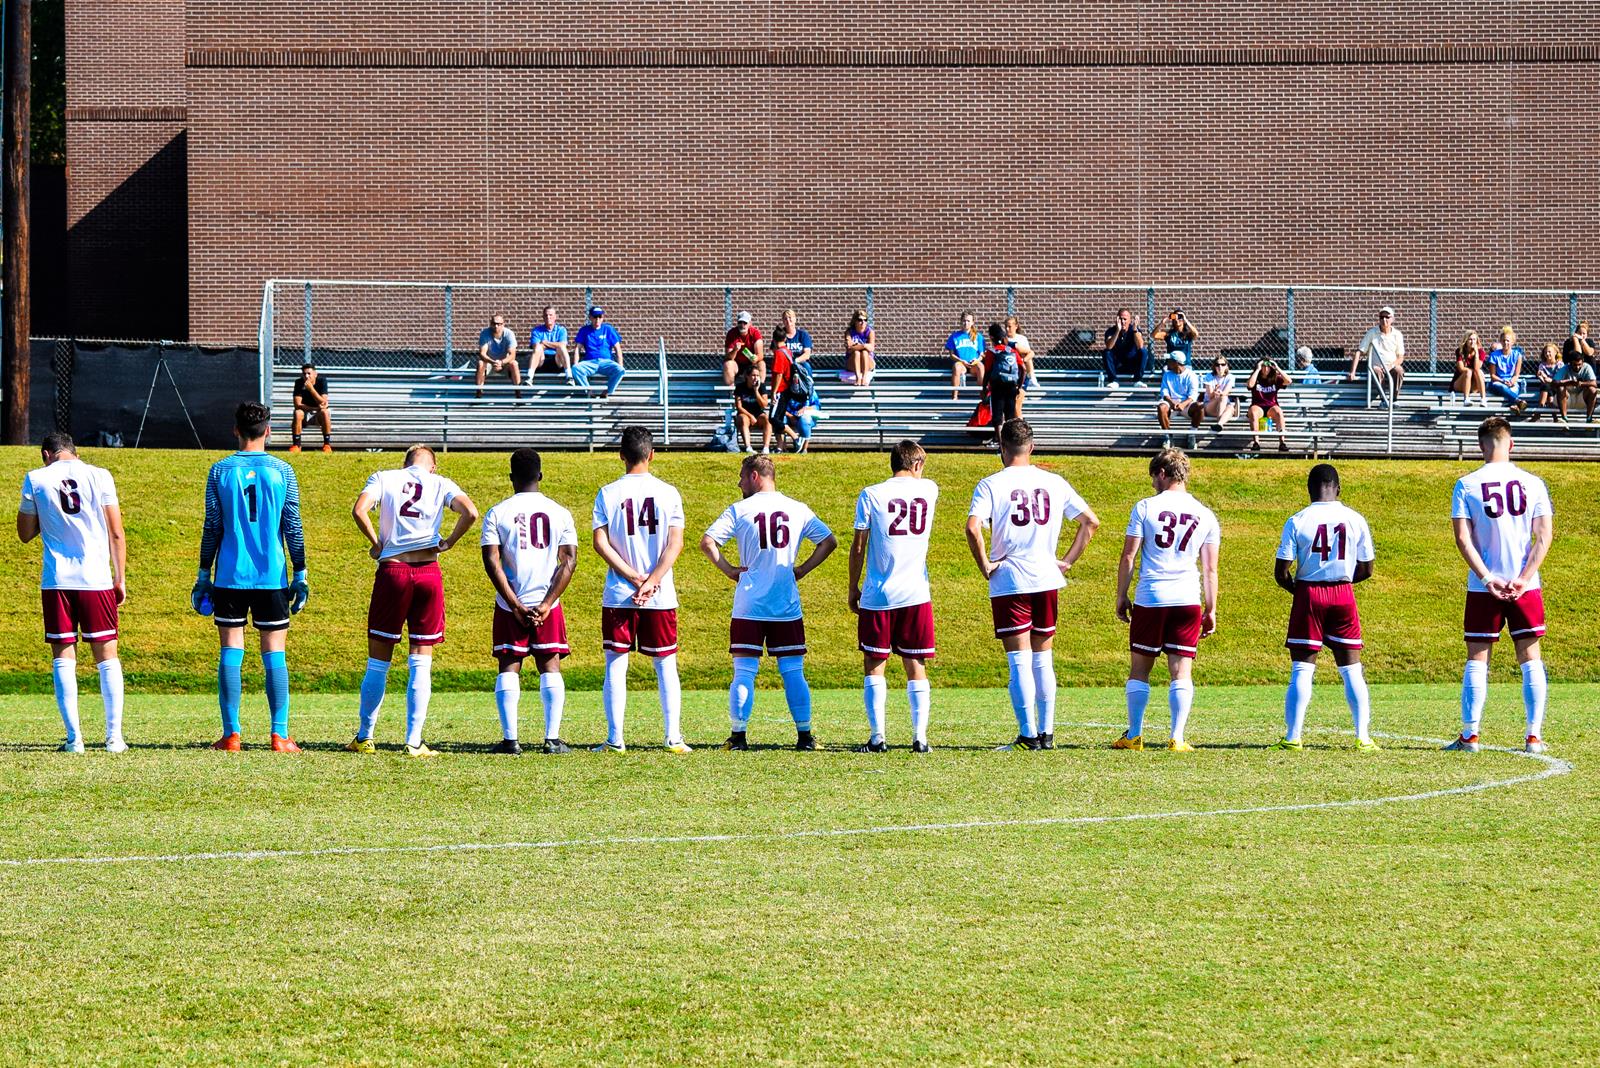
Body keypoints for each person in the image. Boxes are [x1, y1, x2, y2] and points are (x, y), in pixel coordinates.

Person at [965, 419, 1100, 751]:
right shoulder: (1053, 481)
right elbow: (1090, 522)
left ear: (1001, 446)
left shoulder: (991, 484)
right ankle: (1048, 733)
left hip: (1010, 577)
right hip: (1045, 576)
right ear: (1032, 447)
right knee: (1043, 659)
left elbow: (972, 528)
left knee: (1019, 660)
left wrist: (985, 565)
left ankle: (1028, 734)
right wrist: (1067, 561)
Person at [345, 445, 478, 758]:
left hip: (394, 570)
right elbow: (470, 512)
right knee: (421, 659)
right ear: (433, 465)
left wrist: (377, 543)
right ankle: (414, 741)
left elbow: (359, 509)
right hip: (428, 571)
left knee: (378, 660)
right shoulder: (441, 483)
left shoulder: (385, 477)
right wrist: (448, 542)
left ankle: (366, 736)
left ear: (406, 463)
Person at [191, 402, 309, 752]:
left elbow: (212, 525)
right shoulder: (283, 470)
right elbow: (293, 526)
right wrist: (300, 573)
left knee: (231, 649)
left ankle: (231, 735)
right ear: (269, 431)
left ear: (235, 431)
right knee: (274, 653)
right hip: (271, 576)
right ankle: (280, 734)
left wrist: (203, 573)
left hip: (230, 574)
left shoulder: (220, 471)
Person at [700, 454, 838, 751]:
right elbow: (829, 541)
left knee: (744, 671)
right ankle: (805, 737)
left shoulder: (740, 510)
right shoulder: (797, 509)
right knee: (792, 670)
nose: (738, 483)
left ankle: (738, 737)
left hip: (749, 603)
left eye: (741, 476)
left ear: (754, 475)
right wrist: (800, 569)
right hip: (785, 602)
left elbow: (707, 542)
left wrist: (730, 571)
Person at [1445, 417, 1553, 755]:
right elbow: (1544, 536)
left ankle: (1470, 735)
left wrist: (1488, 578)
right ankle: (1533, 737)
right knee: (1530, 657)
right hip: (1526, 585)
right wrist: (1522, 579)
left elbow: (1463, 539)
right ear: (1511, 443)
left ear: (1481, 446)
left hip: (1483, 587)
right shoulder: (1533, 483)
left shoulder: (1466, 484)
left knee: (1477, 658)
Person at [17, 432, 127, 753]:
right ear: (74, 453)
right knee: (107, 656)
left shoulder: (36, 478)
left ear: (45, 454)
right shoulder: (100, 475)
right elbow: (116, 532)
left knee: (63, 656)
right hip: (96, 578)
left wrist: (45, 517)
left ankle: (74, 739)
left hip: (57, 580)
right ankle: (114, 738)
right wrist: (119, 578)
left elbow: (25, 533)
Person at [590, 426, 690, 754]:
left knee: (615, 664)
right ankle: (672, 737)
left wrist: (633, 577)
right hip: (659, 594)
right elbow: (675, 543)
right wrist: (652, 580)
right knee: (665, 665)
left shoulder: (607, 493)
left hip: (620, 592)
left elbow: (600, 542)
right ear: (652, 454)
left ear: (621, 455)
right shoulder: (669, 492)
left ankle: (615, 739)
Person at [1113, 448, 1219, 752]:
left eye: (1153, 478)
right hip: (1187, 597)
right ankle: (1178, 737)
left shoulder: (1145, 507)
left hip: (1152, 595)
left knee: (1140, 669)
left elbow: (1129, 555)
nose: (1152, 485)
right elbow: (1210, 568)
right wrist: (1210, 609)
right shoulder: (1205, 514)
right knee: (1181, 671)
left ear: (1162, 473)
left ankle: (1134, 734)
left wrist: (1122, 595)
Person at [1272, 464, 1378, 751]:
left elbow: (1281, 571)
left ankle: (1293, 737)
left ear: (1309, 490)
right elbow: (1367, 569)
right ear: (1338, 488)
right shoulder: (1355, 519)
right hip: (1343, 593)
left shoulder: (1297, 520)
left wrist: (1298, 589)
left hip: (1308, 593)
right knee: (1352, 669)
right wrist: (1342, 583)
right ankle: (1363, 738)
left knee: (1302, 669)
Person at [480, 449, 579, 755]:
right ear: (540, 475)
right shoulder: (560, 512)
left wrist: (514, 604)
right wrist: (548, 603)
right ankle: (552, 739)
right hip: (547, 602)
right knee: (550, 666)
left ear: (511, 478)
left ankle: (511, 740)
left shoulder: (497, 512)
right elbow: (569, 561)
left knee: (509, 666)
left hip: (510, 603)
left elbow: (492, 561)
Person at [849, 440, 939, 753]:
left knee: (875, 663)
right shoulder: (930, 490)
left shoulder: (871, 493)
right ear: (916, 465)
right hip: (916, 591)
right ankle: (920, 738)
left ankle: (878, 738)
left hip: (879, 593)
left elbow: (859, 545)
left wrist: (852, 587)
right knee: (916, 663)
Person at [1349, 306, 1405, 401]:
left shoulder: (1397, 334)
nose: (1384, 319)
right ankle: (1384, 400)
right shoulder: (1372, 333)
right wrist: (1352, 371)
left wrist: (1390, 366)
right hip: (1376, 366)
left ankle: (1394, 399)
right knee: (1377, 371)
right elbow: (1359, 351)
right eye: (1381, 317)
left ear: (1392, 319)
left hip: (1391, 366)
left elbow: (1400, 357)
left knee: (1399, 371)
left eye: (1387, 317)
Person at [572, 307, 626, 397]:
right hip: (590, 362)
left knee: (620, 370)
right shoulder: (584, 330)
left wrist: (620, 364)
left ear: (602, 317)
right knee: (575, 369)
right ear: (590, 317)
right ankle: (589, 391)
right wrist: (576, 363)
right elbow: (577, 348)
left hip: (606, 362)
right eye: (595, 317)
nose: (597, 319)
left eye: (599, 317)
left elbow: (618, 348)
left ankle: (607, 392)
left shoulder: (608, 329)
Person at [983, 322, 1023, 441]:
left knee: (998, 417)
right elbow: (1023, 368)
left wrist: (984, 388)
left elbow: (988, 371)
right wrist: (1019, 386)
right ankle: (1010, 443)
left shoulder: (992, 352)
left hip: (997, 386)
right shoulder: (1012, 351)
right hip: (1011, 386)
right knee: (1010, 416)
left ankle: (1001, 445)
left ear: (991, 337)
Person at [1156, 353, 1203, 446]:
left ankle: (1192, 434)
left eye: (1169, 360)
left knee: (1200, 407)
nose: (1167, 363)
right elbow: (1164, 392)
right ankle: (1168, 436)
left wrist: (1183, 404)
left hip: (1187, 405)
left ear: (1176, 363)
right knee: (1161, 407)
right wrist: (1172, 402)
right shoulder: (1167, 374)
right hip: (1171, 403)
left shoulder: (1191, 375)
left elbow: (1193, 395)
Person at [1246, 359, 1292, 453]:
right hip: (1258, 406)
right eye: (1263, 366)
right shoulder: (1255, 377)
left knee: (1279, 412)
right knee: (1253, 412)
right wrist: (1258, 369)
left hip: (1271, 406)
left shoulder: (1275, 378)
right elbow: (1250, 385)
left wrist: (1277, 367)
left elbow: (1288, 381)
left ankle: (1282, 442)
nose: (1266, 368)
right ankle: (1256, 443)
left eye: (1268, 366)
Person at [777, 363, 821, 453]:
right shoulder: (786, 389)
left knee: (805, 419)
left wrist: (805, 409)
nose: (796, 379)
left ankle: (804, 449)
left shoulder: (810, 389)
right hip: (789, 416)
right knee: (779, 418)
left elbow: (816, 406)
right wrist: (790, 416)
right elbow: (779, 407)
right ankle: (781, 447)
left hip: (803, 416)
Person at [1483, 325, 1527, 413]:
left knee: (1514, 388)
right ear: (1500, 342)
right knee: (1502, 387)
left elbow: (1516, 375)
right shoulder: (1494, 355)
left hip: (1511, 382)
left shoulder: (1518, 355)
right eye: (1503, 340)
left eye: (1508, 340)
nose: (1505, 342)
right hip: (1497, 383)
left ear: (1512, 342)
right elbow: (1492, 376)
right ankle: (1518, 401)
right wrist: (1503, 381)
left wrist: (1512, 382)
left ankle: (1514, 406)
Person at [290, 362, 332, 453]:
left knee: (325, 412)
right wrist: (316, 408)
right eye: (304, 374)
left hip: (318, 415)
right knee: (298, 412)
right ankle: (296, 445)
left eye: (309, 373)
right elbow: (297, 404)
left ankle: (327, 444)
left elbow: (323, 402)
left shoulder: (322, 381)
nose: (306, 376)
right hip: (305, 413)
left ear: (315, 374)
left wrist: (311, 389)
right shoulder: (299, 382)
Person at [475, 315, 520, 397]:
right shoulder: (485, 333)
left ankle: (518, 394)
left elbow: (512, 355)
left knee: (514, 363)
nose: (496, 326)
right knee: (480, 363)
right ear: (490, 324)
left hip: (505, 363)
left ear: (503, 324)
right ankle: (479, 393)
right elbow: (482, 353)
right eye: (494, 323)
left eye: (499, 324)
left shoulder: (509, 334)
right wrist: (493, 362)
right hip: (489, 363)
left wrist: (502, 362)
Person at [732, 365, 773, 454]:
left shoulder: (761, 386)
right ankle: (748, 447)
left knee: (767, 420)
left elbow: (764, 405)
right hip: (744, 414)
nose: (756, 378)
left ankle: (766, 448)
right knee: (743, 419)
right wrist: (750, 416)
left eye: (758, 375)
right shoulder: (740, 387)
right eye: (753, 375)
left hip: (758, 414)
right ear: (747, 376)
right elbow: (739, 406)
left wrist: (756, 391)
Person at [1551, 346, 1598, 423]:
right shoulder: (1565, 368)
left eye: (1579, 364)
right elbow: (1553, 383)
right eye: (1574, 365)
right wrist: (1569, 382)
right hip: (1567, 399)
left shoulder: (1587, 367)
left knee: (1592, 390)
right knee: (1561, 388)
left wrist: (1581, 384)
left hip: (1581, 399)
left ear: (1582, 361)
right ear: (1570, 363)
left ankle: (1589, 419)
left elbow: (1594, 383)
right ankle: (1564, 419)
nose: (1577, 367)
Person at [1102, 307, 1147, 388]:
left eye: (1125, 319)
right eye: (1120, 319)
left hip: (1131, 364)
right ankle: (1113, 381)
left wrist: (1135, 330)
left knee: (1143, 351)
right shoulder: (1111, 331)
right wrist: (1117, 331)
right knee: (1107, 352)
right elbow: (1109, 346)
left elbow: (1140, 345)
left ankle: (1138, 380)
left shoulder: (1134, 329)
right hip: (1117, 365)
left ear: (1129, 320)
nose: (1122, 322)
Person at [945, 311, 985, 400]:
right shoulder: (954, 336)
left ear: (972, 322)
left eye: (968, 321)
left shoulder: (978, 336)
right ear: (960, 321)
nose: (966, 323)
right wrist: (961, 360)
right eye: (964, 321)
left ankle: (983, 397)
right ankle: (954, 397)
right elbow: (951, 355)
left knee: (981, 366)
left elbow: (982, 355)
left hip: (973, 364)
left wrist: (977, 360)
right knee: (956, 367)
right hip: (961, 363)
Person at [527, 306, 572, 381]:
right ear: (543, 317)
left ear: (555, 317)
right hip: (541, 360)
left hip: (557, 360)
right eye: (546, 315)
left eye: (550, 315)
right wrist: (555, 345)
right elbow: (536, 346)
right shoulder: (536, 330)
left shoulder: (561, 330)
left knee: (562, 348)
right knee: (538, 347)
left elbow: (562, 345)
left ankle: (569, 377)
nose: (548, 317)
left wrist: (545, 343)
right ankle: (529, 377)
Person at [723, 311, 765, 387]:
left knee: (761, 364)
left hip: (750, 363)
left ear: (750, 324)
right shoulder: (731, 333)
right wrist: (735, 350)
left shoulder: (755, 333)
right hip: (737, 364)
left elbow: (760, 355)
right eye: (740, 322)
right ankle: (731, 391)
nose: (742, 325)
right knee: (728, 364)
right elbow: (728, 357)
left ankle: (759, 388)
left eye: (745, 323)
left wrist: (756, 358)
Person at [1005, 315, 1041, 395]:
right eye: (1006, 326)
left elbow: (1031, 353)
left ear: (1016, 326)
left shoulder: (1022, 338)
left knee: (1027, 356)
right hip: (1009, 365)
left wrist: (1022, 360)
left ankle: (1031, 377)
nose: (1007, 329)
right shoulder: (1004, 339)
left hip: (1021, 366)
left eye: (1009, 327)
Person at [1452, 331, 1488, 406]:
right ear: (1466, 341)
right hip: (1460, 383)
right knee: (1468, 372)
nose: (1472, 342)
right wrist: (1471, 371)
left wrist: (1476, 353)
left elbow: (1477, 368)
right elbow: (1461, 369)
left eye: (1474, 339)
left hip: (1474, 385)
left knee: (1478, 371)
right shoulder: (1460, 351)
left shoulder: (1481, 352)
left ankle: (1483, 399)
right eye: (1470, 339)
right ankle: (1466, 399)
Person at [1201, 356, 1237, 428]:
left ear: (1226, 366)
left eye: (1223, 364)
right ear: (1214, 366)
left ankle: (1219, 424)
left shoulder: (1230, 377)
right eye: (1217, 365)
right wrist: (1215, 392)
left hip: (1224, 405)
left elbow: (1226, 392)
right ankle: (1219, 423)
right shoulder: (1209, 376)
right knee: (1223, 398)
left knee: (1230, 408)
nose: (1220, 367)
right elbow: (1210, 396)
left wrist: (1221, 393)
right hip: (1210, 405)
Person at [1530, 342, 1563, 420]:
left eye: (1549, 352)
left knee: (1547, 387)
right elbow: (1541, 378)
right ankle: (1555, 418)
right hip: (1546, 386)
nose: (1547, 354)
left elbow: (1559, 378)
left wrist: (1549, 379)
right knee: (1546, 387)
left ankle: (1539, 411)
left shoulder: (1559, 364)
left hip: (1556, 386)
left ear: (1555, 353)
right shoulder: (1542, 365)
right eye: (1545, 352)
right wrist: (1541, 376)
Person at [844, 309, 876, 388]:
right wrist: (864, 345)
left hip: (868, 362)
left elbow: (871, 348)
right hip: (852, 363)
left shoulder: (870, 332)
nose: (863, 322)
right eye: (860, 320)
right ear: (855, 321)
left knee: (864, 352)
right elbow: (849, 348)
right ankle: (858, 378)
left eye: (865, 320)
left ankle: (864, 378)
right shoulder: (849, 332)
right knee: (856, 353)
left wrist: (856, 345)